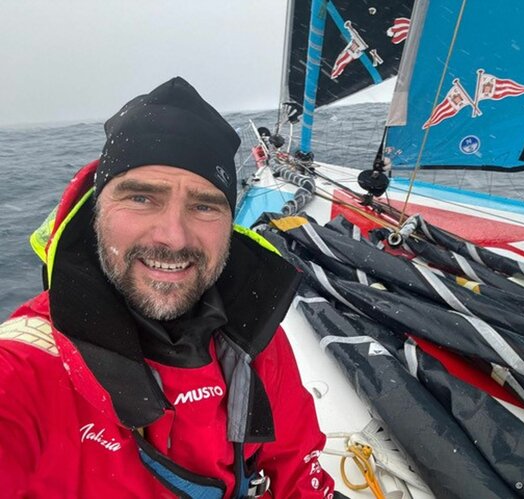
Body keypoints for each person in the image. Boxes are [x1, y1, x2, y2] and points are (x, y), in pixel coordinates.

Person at [0, 77, 338, 498]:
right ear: (95, 211)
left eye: (203, 205)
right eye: (142, 198)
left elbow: (297, 470)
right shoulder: (28, 368)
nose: (174, 237)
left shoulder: (255, 334)